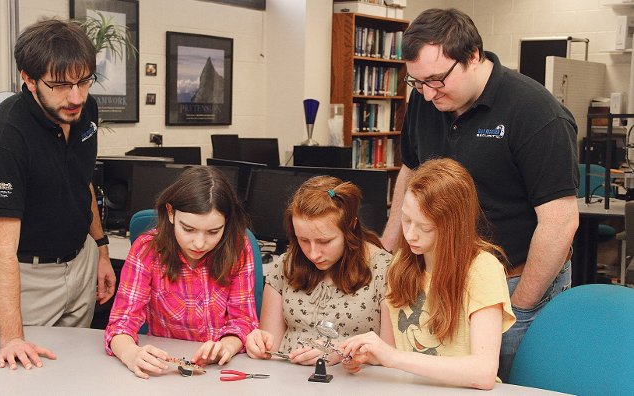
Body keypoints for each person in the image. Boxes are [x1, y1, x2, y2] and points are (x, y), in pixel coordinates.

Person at [380, 8, 579, 381]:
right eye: (416, 82)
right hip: (444, 278)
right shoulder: (424, 100)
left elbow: (560, 221)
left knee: (502, 381)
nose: (426, 92)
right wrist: (385, 256)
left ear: (473, 56)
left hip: (516, 281)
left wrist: (518, 307)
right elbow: (410, 174)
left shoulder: (536, 114)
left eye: (436, 80)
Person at [0, 19, 115, 371]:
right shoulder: (6, 136)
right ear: (28, 78)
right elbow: (2, 250)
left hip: (79, 262)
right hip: (27, 276)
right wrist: (11, 338)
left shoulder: (85, 110)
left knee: (74, 373)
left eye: (83, 81)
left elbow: (81, 180)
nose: (76, 96)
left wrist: (100, 250)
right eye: (60, 85)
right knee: (24, 375)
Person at [341, 158, 516, 390]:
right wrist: (370, 355)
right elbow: (392, 354)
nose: (411, 235)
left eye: (425, 227)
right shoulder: (400, 266)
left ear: (453, 227)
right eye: (406, 219)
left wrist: (391, 357)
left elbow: (483, 373)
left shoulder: (482, 269)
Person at [104, 166, 258, 379]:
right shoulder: (147, 249)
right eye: (188, 229)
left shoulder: (239, 247)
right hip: (167, 366)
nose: (199, 243)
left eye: (213, 232)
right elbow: (121, 322)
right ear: (170, 213)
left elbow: (243, 320)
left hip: (218, 372)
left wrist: (226, 347)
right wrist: (131, 354)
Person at [245, 176, 392, 365]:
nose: (313, 254)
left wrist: (341, 354)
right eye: (303, 240)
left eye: (324, 241)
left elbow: (391, 356)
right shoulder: (285, 265)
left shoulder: (385, 270)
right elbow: (270, 348)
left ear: (351, 227)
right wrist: (258, 344)